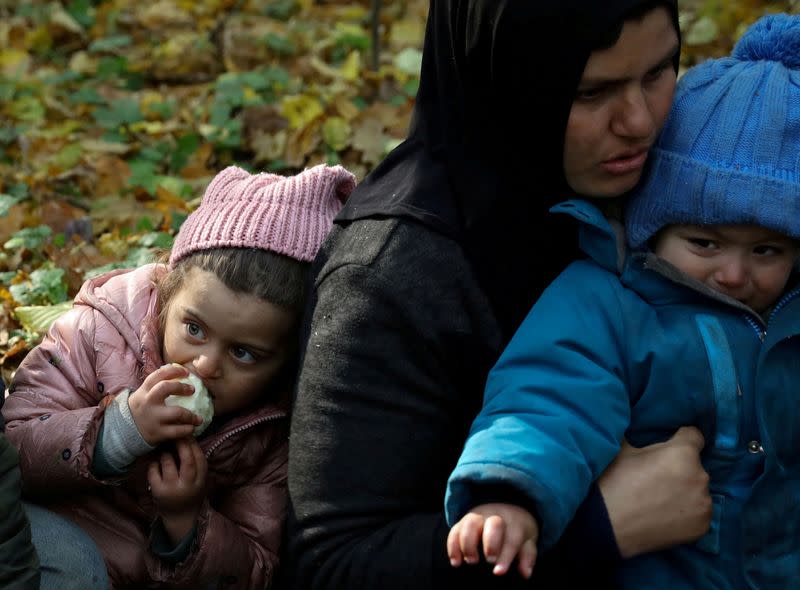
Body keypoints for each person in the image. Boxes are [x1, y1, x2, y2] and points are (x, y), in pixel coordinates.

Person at [285, 1, 713, 588]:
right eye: (590, 92)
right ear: (503, 82)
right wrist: (598, 528)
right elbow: (330, 566)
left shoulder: (681, 190)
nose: (639, 121)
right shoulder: (393, 275)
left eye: (660, 72)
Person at [445, 13, 800, 589]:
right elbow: (549, 399)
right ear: (653, 227)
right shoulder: (610, 303)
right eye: (704, 243)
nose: (734, 274)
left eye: (766, 250)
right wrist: (509, 494)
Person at [3, 164, 355, 589]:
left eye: (244, 353)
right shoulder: (99, 334)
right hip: (43, 538)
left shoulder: (271, 434)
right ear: (168, 294)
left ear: (287, 361)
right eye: (194, 329)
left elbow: (258, 569)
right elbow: (13, 445)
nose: (205, 365)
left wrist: (188, 520)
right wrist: (118, 431)